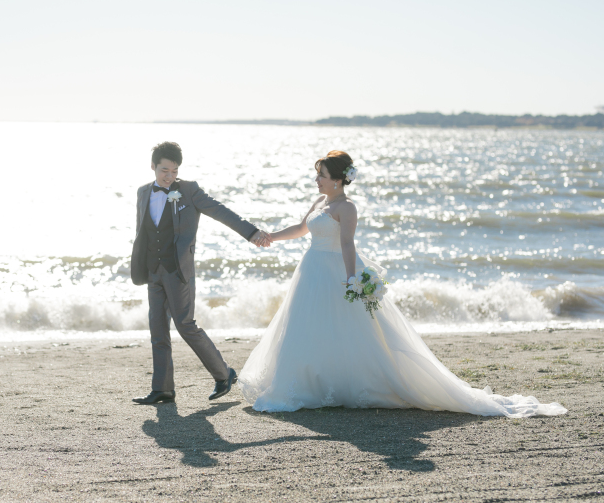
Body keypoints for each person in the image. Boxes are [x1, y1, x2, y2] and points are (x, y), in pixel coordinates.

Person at [238, 150, 567, 417]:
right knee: (305, 325)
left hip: (334, 269)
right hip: (309, 270)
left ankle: (343, 383)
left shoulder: (346, 207)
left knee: (345, 329)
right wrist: (270, 237)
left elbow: (348, 245)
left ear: (339, 179)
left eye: (322, 175)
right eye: (318, 174)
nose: (317, 180)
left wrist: (352, 279)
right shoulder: (320, 203)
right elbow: (300, 228)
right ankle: (307, 381)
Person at [131, 142, 271, 405]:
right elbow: (143, 230)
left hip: (178, 271)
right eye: (164, 170)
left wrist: (252, 233)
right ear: (153, 166)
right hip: (153, 271)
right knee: (158, 330)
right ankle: (163, 389)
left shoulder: (189, 190)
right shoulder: (142, 193)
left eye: (174, 171)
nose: (169, 176)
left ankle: (223, 374)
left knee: (185, 324)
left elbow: (221, 212)